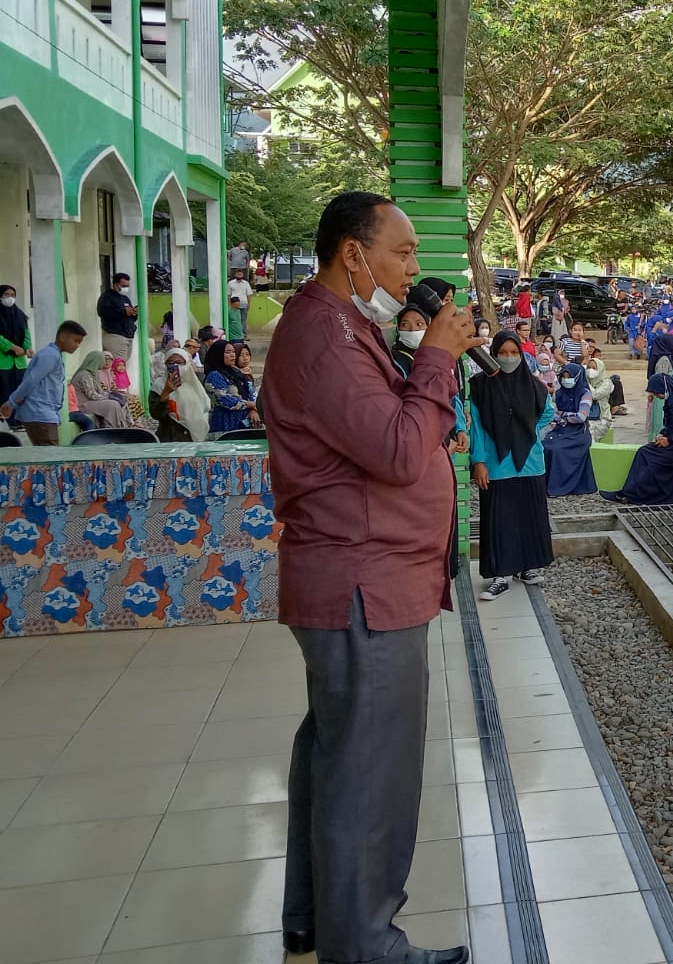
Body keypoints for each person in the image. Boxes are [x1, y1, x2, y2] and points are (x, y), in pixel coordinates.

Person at [263, 191, 480, 964]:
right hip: (364, 582)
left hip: (368, 577)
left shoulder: (346, 328)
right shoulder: (323, 337)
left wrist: (424, 352)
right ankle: (365, 949)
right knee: (369, 777)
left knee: (338, 760)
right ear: (354, 253)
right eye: (404, 251)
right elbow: (395, 451)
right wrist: (439, 360)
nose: (415, 267)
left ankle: (319, 922)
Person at [470, 331, 557, 596]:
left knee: (529, 516)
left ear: (522, 355)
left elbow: (548, 412)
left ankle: (526, 566)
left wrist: (525, 431)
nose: (508, 358)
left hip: (530, 462)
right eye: (502, 353)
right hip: (497, 464)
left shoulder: (532, 384)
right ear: (493, 354)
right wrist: (479, 461)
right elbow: (477, 428)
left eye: (514, 353)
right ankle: (500, 574)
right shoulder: (480, 386)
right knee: (500, 519)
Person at [605, 373, 673, 505]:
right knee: (643, 452)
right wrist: (662, 435)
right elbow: (671, 424)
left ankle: (634, 495)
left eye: (657, 393)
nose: (657, 396)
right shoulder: (671, 400)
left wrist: (670, 439)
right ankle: (628, 491)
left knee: (654, 462)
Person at [0, 320, 87, 445]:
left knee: (48, 458)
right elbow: (31, 381)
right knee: (50, 458)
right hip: (39, 414)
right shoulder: (50, 355)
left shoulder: (53, 354)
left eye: (80, 342)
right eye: (75, 340)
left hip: (44, 414)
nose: (77, 345)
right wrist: (11, 403)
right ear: (62, 336)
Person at [544, 362, 597, 497]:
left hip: (578, 433)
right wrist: (565, 416)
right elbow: (551, 413)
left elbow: (581, 417)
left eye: (569, 376)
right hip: (560, 430)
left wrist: (562, 414)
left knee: (557, 450)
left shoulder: (585, 394)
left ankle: (559, 487)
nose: (566, 380)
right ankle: (544, 485)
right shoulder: (559, 392)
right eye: (564, 376)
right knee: (545, 446)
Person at [152, 344, 211, 443]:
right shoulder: (158, 386)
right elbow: (156, 414)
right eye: (170, 363)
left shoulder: (195, 385)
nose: (175, 366)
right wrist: (166, 393)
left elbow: (205, 408)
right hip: (171, 438)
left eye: (179, 363)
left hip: (197, 438)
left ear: (187, 364)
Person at [203, 340, 257, 435]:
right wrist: (251, 405)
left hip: (245, 425)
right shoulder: (214, 376)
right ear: (218, 354)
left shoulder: (236, 373)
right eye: (228, 352)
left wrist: (253, 410)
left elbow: (251, 392)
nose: (232, 355)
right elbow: (225, 400)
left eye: (233, 352)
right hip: (225, 426)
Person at [70, 350, 130, 429]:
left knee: (118, 401)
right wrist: (108, 397)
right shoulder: (84, 375)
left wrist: (111, 395)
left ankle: (120, 428)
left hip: (90, 402)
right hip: (83, 404)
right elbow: (92, 395)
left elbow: (98, 392)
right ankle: (112, 429)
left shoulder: (92, 374)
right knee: (112, 404)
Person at [0, 282, 32, 413]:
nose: (10, 298)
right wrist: (12, 347)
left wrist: (28, 348)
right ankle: (6, 420)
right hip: (2, 362)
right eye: (6, 294)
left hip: (19, 362)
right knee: (4, 392)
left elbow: (26, 333)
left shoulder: (19, 315)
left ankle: (18, 419)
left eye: (12, 295)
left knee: (19, 392)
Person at [97, 271, 138, 363]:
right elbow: (103, 313)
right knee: (117, 366)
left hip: (128, 335)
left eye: (127, 286)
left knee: (122, 365)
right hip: (115, 336)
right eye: (124, 286)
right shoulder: (106, 297)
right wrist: (123, 311)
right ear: (116, 285)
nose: (126, 288)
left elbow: (131, 318)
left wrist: (133, 313)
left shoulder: (125, 298)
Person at [391, 305, 430, 378]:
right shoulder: (395, 362)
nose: (412, 329)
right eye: (405, 324)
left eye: (419, 324)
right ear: (398, 330)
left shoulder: (435, 355)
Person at [229, 267, 254, 337]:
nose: (239, 275)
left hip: (243, 304)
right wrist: (229, 304)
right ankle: (235, 335)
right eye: (238, 274)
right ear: (235, 274)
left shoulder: (246, 283)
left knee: (243, 320)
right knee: (235, 320)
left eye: (240, 274)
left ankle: (243, 335)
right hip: (233, 304)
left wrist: (249, 304)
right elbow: (228, 294)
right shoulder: (230, 283)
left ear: (242, 275)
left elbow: (249, 294)